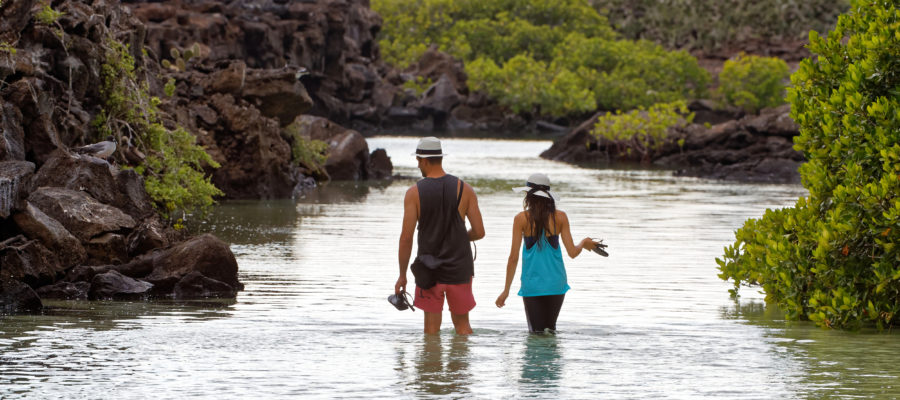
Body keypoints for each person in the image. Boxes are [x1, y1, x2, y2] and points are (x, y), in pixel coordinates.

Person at [396, 137, 485, 335]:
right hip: (459, 269)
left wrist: (402, 275)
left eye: (418, 161)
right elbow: (479, 232)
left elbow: (406, 238)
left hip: (429, 270)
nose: (418, 165)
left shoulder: (414, 193)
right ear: (439, 158)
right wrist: (460, 238)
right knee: (463, 328)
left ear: (424, 160)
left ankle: (431, 365)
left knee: (431, 331)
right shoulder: (465, 189)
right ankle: (461, 366)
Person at [495, 173, 597, 333]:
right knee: (550, 331)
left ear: (529, 195)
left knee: (536, 334)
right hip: (556, 284)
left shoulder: (521, 219)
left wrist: (506, 290)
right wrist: (584, 243)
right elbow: (572, 252)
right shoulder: (561, 217)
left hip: (532, 285)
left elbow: (513, 258)